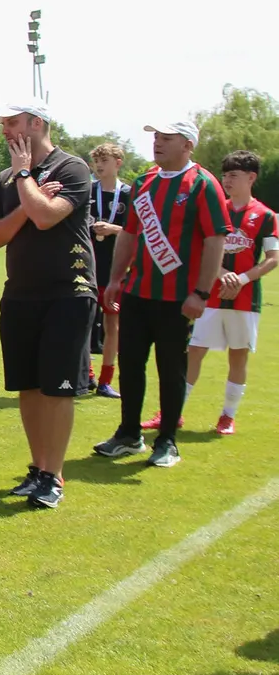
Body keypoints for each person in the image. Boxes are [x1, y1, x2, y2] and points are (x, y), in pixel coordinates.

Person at [94, 121, 230, 467]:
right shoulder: (144, 182)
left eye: (167, 139)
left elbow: (215, 239)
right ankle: (128, 433)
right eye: (156, 138)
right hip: (138, 293)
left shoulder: (203, 184)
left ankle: (167, 440)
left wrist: (201, 292)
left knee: (171, 370)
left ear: (187, 145)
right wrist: (115, 278)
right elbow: (129, 234)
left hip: (178, 299)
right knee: (130, 364)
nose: (158, 143)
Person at [0, 99, 95, 509]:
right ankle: (37, 468)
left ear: (36, 123)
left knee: (57, 388)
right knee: (28, 387)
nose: (4, 131)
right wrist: (25, 194)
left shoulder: (72, 168)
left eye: (11, 122)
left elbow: (47, 216)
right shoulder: (5, 178)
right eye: (2, 124)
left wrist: (24, 176)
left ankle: (54, 475)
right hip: (20, 294)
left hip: (68, 292)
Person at [184, 150, 278, 435]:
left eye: (233, 175)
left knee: (238, 356)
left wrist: (242, 279)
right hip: (209, 295)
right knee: (194, 351)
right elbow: (200, 249)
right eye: (224, 175)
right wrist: (223, 274)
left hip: (245, 300)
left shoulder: (266, 216)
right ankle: (173, 411)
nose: (226, 180)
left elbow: (273, 258)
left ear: (251, 178)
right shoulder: (215, 209)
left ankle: (228, 416)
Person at [88, 143, 130, 399]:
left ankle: (105, 381)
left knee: (112, 324)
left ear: (118, 163)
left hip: (116, 269)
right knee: (82, 322)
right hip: (87, 268)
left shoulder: (128, 194)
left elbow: (138, 231)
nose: (99, 166)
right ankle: (88, 374)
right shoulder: (88, 190)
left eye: (104, 161)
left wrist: (114, 229)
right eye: (97, 161)